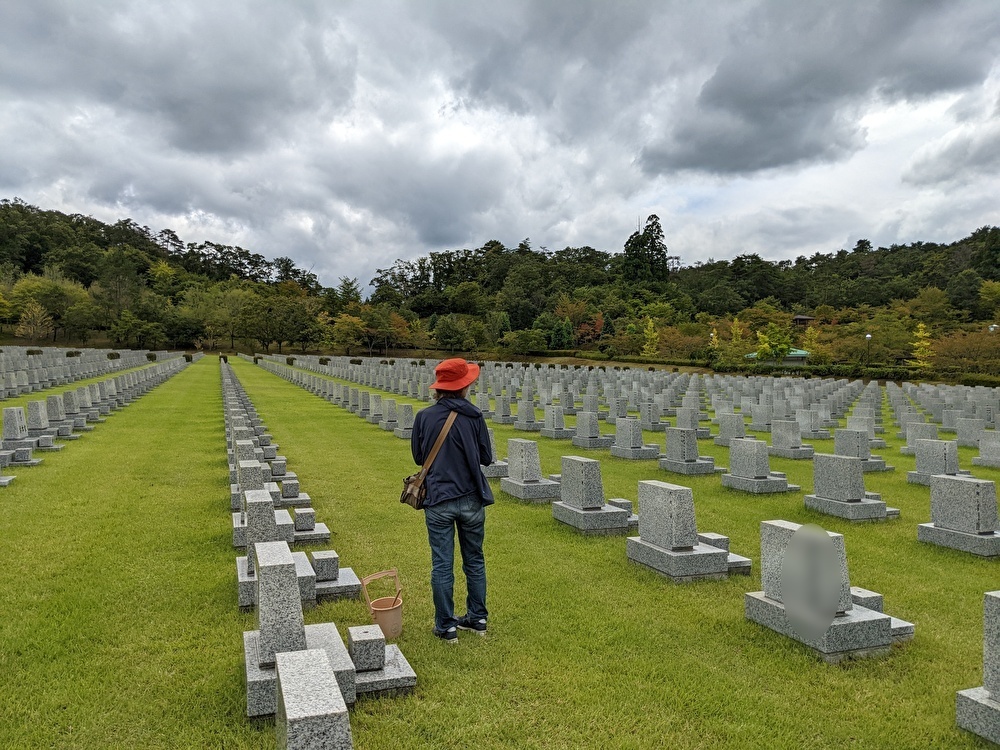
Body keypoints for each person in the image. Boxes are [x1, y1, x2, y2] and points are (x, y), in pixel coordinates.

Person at [411, 358, 494, 644]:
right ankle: (478, 618)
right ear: (464, 386)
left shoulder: (424, 417)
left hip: (438, 499)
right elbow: (486, 457)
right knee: (474, 559)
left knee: (442, 563)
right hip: (471, 498)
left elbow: (419, 457)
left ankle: (446, 626)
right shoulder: (475, 417)